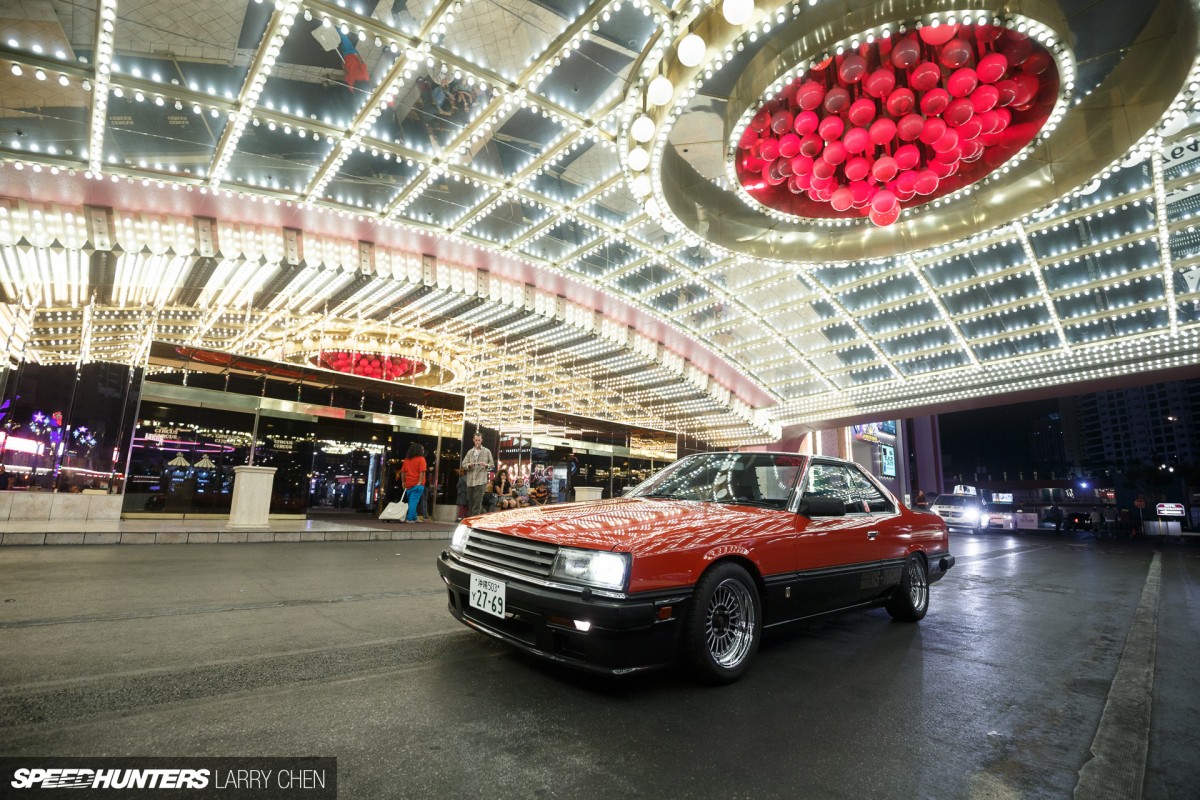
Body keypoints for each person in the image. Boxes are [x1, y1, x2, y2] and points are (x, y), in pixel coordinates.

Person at [461, 431, 494, 517]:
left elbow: (492, 465)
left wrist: (486, 464)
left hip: (481, 480)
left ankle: (473, 521)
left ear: (481, 440)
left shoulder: (487, 451)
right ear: (473, 440)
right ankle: (484, 515)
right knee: (471, 502)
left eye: (479, 440)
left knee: (477, 502)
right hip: (470, 480)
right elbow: (463, 464)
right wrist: (469, 465)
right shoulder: (469, 452)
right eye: (476, 440)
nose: (477, 442)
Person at [400, 443, 426, 523]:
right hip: (417, 484)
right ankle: (410, 518)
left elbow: (403, 472)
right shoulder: (421, 459)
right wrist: (420, 482)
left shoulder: (407, 460)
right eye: (422, 449)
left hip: (408, 484)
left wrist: (403, 482)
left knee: (412, 501)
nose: (423, 450)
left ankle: (414, 517)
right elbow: (422, 472)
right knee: (413, 502)